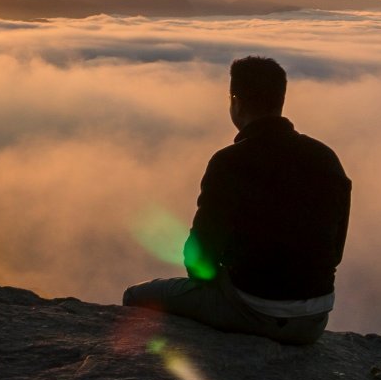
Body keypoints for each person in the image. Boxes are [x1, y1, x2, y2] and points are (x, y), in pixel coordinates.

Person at [123, 56, 351, 345]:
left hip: (251, 308)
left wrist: (225, 280)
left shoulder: (229, 163)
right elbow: (335, 252)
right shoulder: (326, 158)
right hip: (314, 319)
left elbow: (199, 260)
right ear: (281, 99)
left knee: (137, 296)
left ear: (236, 101)